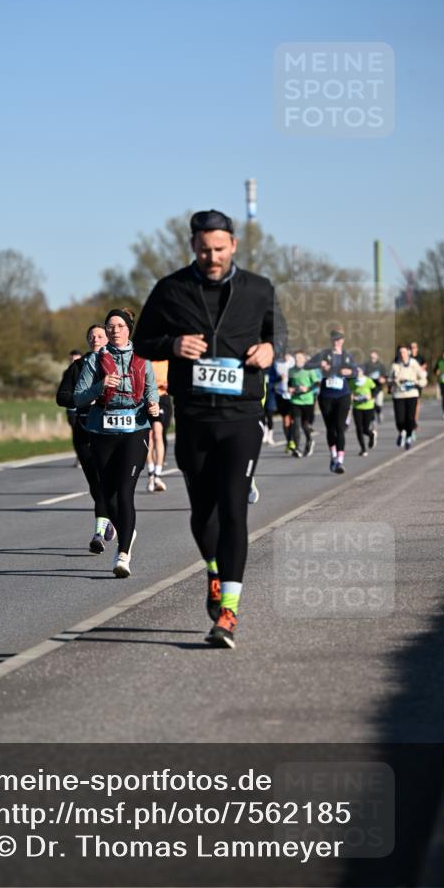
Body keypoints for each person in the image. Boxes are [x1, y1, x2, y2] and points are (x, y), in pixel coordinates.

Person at [134, 208, 285, 649]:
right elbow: (142, 342)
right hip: (195, 416)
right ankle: (214, 573)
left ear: (233, 245)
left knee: (235, 509)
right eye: (204, 250)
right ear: (193, 248)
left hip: (241, 415)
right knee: (204, 511)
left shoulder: (258, 288)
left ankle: (229, 614)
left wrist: (270, 350)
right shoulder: (171, 289)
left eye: (219, 249)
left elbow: (279, 335)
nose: (212, 257)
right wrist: (172, 345)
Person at [74, 308, 159, 578]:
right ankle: (127, 531)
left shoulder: (142, 359)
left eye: (119, 326)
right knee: (107, 497)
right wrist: (99, 387)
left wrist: (154, 405)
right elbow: (77, 398)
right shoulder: (94, 361)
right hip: (102, 430)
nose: (114, 330)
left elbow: (151, 391)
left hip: (135, 428)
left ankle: (123, 554)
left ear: (128, 329)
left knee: (125, 492)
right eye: (110, 326)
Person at [56, 326, 116, 553]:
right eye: (91, 337)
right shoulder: (78, 367)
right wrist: (83, 398)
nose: (95, 339)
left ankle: (99, 532)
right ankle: (107, 518)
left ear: (108, 338)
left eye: (100, 336)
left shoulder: (116, 363)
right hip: (84, 429)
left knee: (107, 483)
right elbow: (61, 397)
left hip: (110, 429)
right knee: (95, 483)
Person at [308, 329, 357, 474]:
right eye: (334, 340)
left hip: (343, 395)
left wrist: (349, 372)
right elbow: (306, 365)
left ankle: (339, 461)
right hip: (326, 396)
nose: (337, 342)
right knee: (331, 428)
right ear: (331, 341)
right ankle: (333, 456)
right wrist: (320, 365)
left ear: (343, 341)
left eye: (339, 339)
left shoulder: (347, 356)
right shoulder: (323, 354)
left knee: (340, 428)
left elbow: (356, 371)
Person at [389, 344, 428, 448]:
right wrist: (394, 380)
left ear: (408, 353)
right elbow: (389, 380)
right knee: (400, 420)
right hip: (398, 395)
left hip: (412, 394)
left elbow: (423, 378)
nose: (402, 354)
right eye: (400, 352)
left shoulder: (414, 364)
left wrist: (415, 383)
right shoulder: (395, 365)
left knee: (410, 419)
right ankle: (401, 432)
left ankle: (409, 437)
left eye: (404, 352)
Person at [146, 360, 173, 492]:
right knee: (148, 437)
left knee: (157, 433)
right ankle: (151, 473)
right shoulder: (145, 360)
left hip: (162, 398)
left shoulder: (167, 360)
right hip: (146, 399)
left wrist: (170, 384)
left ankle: (157, 473)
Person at [287, 350, 320, 457]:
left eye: (300, 358)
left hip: (307, 401)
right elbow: (289, 383)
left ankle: (309, 440)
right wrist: (290, 389)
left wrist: (307, 388)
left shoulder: (309, 370)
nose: (298, 361)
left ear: (304, 360)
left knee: (304, 424)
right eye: (296, 359)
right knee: (296, 424)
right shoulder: (291, 371)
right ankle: (297, 448)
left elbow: (317, 384)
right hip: (295, 401)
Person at [349, 365, 377, 456]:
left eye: (359, 371)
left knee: (365, 429)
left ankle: (371, 435)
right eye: (355, 371)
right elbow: (349, 392)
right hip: (357, 407)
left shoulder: (368, 381)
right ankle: (363, 449)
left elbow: (375, 390)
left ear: (362, 372)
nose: (357, 373)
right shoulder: (352, 382)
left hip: (368, 407)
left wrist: (371, 396)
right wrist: (351, 397)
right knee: (358, 428)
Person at [364, 349, 388, 425]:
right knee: (371, 405)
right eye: (371, 356)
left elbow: (385, 377)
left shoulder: (381, 366)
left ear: (377, 356)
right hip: (370, 389)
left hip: (379, 388)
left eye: (374, 356)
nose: (373, 357)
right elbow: (363, 376)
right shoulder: (366, 366)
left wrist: (383, 380)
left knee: (379, 405)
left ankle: (379, 412)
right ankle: (373, 420)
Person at [409, 341, 428, 433]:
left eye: (414, 347)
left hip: (417, 383)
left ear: (417, 348)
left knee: (416, 402)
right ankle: (410, 420)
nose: (413, 349)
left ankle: (414, 421)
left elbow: (425, 365)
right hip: (409, 382)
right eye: (411, 347)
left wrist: (420, 369)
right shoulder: (407, 358)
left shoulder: (420, 358)